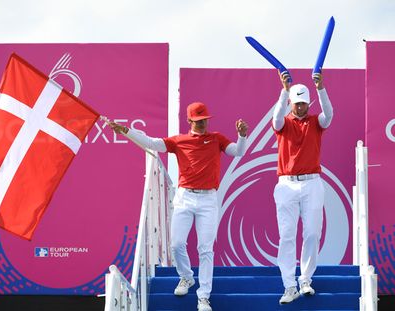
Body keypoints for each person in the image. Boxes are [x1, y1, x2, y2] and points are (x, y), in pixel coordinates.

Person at [109, 102, 248, 311]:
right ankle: (186, 277)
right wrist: (127, 131)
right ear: (190, 120)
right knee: (176, 244)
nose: (203, 124)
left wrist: (242, 136)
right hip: (185, 197)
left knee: (205, 249)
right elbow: (151, 143)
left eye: (205, 121)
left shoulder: (216, 138)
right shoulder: (179, 140)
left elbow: (237, 152)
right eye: (199, 121)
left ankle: (203, 297)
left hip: (208, 199)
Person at [272, 71, 333, 305]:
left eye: (304, 103)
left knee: (312, 233)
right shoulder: (283, 123)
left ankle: (305, 279)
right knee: (287, 236)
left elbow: (329, 115)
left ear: (309, 102)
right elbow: (277, 117)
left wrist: (321, 88)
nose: (300, 107)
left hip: (312, 183)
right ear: (291, 102)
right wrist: (283, 90)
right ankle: (289, 285)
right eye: (296, 103)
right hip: (286, 184)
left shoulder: (316, 122)